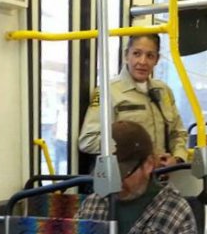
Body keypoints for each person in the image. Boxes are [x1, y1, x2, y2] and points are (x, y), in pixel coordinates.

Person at [79, 35, 189, 167]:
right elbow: (88, 141)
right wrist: (133, 151)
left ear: (156, 60)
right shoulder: (108, 91)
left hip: (161, 174)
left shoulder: (163, 91)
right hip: (126, 176)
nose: (142, 61)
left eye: (150, 56)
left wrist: (177, 158)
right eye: (137, 54)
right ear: (126, 55)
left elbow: (178, 133)